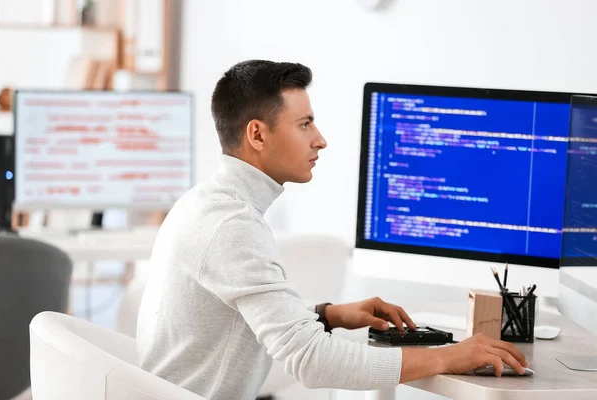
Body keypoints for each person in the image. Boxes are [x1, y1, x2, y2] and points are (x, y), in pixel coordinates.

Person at [136, 60, 528, 400]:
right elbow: (312, 361)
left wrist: (329, 314)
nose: (320, 140)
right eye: (304, 124)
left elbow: (239, 311)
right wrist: (449, 356)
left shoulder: (207, 202)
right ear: (257, 134)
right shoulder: (233, 226)